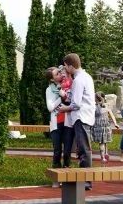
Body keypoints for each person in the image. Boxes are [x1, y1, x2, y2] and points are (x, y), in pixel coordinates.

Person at [57, 53, 96, 191]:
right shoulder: (86, 76)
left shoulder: (79, 80)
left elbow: (76, 104)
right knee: (82, 149)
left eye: (66, 66)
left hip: (81, 117)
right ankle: (84, 179)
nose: (65, 69)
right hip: (85, 116)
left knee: (84, 149)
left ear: (70, 66)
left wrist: (64, 108)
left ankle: (86, 181)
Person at [45, 67, 67, 187]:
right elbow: (50, 107)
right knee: (57, 150)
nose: (60, 74)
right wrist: (60, 97)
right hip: (56, 123)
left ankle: (67, 178)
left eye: (59, 72)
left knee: (67, 151)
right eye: (57, 74)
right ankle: (56, 179)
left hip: (68, 122)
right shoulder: (49, 90)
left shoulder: (67, 84)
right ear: (52, 79)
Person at [92, 93, 118, 163]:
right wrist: (115, 123)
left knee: (102, 143)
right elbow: (112, 115)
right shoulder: (106, 106)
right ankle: (106, 154)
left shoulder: (94, 107)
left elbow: (91, 116)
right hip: (106, 125)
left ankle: (103, 157)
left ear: (96, 99)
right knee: (105, 141)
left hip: (98, 126)